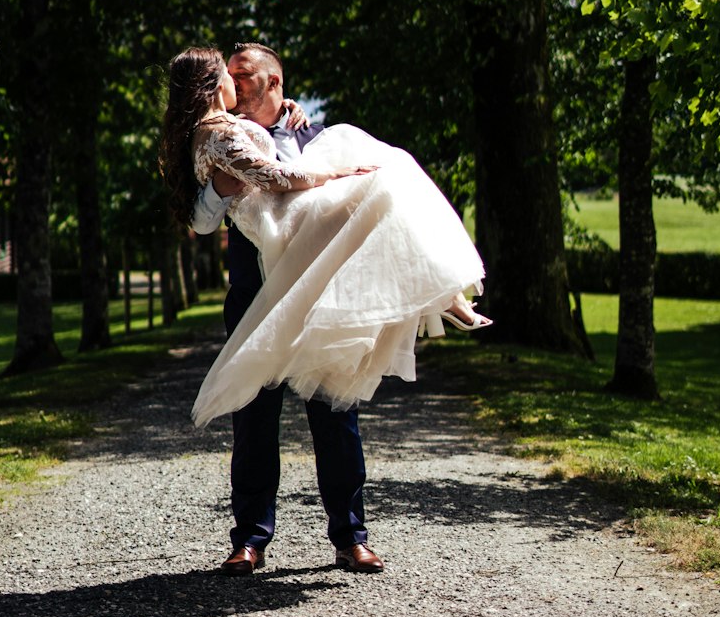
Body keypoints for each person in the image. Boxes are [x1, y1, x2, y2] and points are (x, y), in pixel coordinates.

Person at [159, 42, 489, 577]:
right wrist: (222, 190)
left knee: (336, 416)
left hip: (322, 300)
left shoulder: (313, 138)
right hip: (255, 297)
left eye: (245, 75)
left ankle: (350, 537)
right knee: (254, 419)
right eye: (230, 75)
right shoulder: (223, 137)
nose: (235, 84)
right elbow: (199, 221)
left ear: (274, 83)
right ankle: (249, 540)